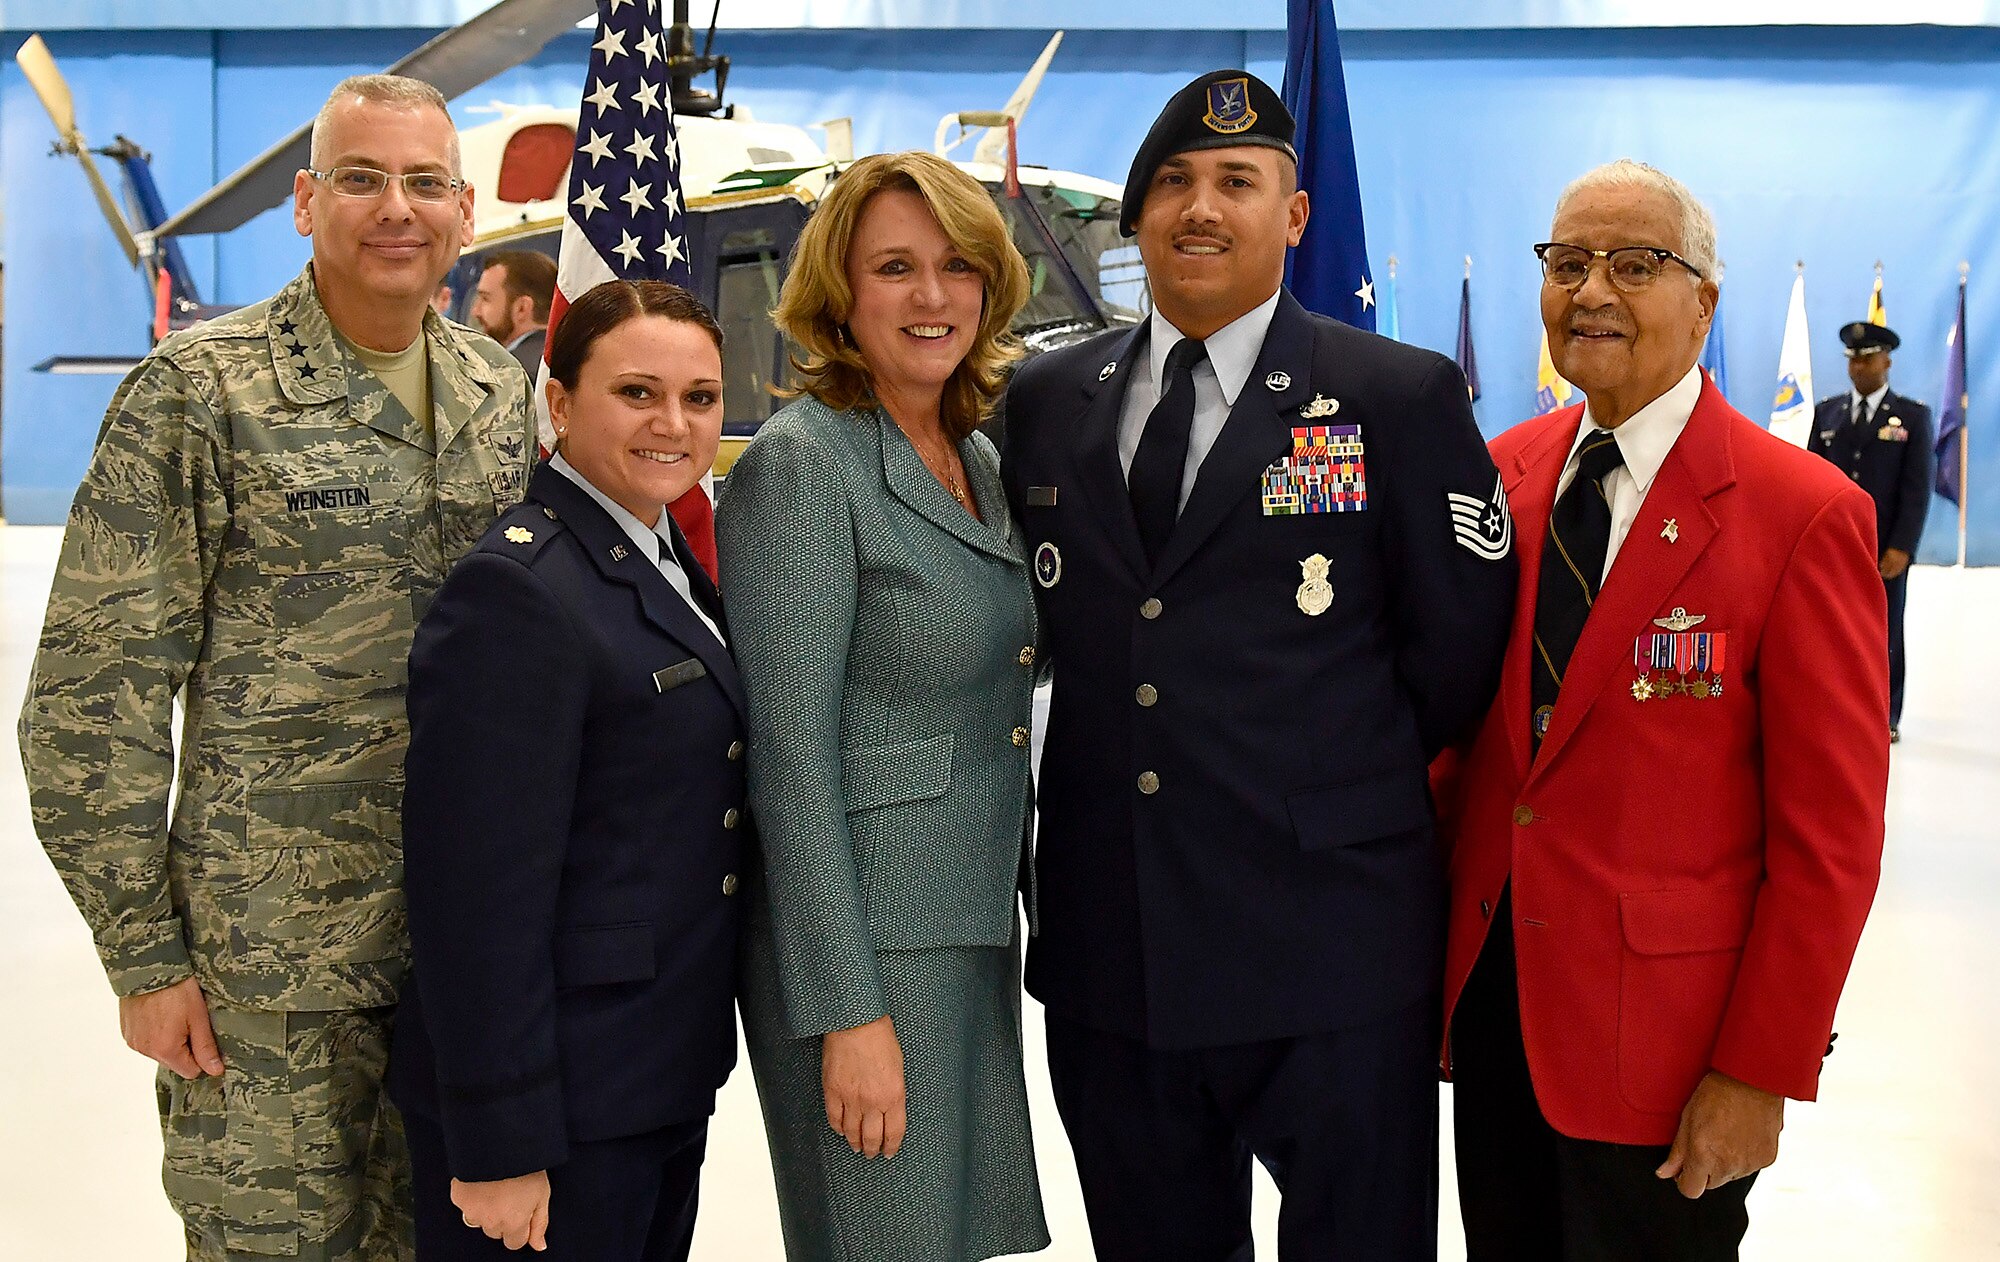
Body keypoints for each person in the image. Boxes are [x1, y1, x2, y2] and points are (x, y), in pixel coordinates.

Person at [1001, 69, 1516, 1260]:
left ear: (1291, 215)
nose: (1200, 207)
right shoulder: (1043, 399)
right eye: (1172, 182)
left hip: (1326, 947)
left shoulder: (1395, 397)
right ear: (1133, 220)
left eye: (1238, 182)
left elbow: (1452, 659)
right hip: (1112, 947)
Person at [17, 74, 532, 1260]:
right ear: (305, 203)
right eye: (360, 178)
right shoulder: (199, 395)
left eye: (421, 184)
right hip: (267, 976)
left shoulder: (499, 393)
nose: (393, 208)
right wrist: (143, 952)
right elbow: (94, 701)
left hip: (462, 961)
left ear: (464, 211)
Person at [1437, 160, 1887, 1261]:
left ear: (1704, 302)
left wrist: (1759, 1067)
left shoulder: (1801, 514)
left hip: (1666, 1053)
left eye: (1634, 264)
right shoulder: (1495, 476)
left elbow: (1829, 839)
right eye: (1567, 261)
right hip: (1493, 1024)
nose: (1590, 290)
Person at [715, 150, 1048, 1262]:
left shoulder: (975, 454)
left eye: (956, 266)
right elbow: (790, 756)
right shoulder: (805, 462)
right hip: (866, 944)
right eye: (894, 267)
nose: (930, 296)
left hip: (962, 921)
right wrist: (846, 1011)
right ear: (839, 296)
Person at [388, 279, 745, 1260]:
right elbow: (473, 892)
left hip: (650, 1073)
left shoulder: (661, 555)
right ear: (557, 402)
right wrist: (499, 1140)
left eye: (700, 397)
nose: (673, 423)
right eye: (636, 392)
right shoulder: (519, 591)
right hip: (555, 1107)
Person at [1807, 320, 1934, 742]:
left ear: (1887, 361)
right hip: (1834, 546)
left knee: (1885, 629)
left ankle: (1886, 713)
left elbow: (1917, 489)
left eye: (1868, 358)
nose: (1859, 367)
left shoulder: (1912, 417)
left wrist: (1902, 545)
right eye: (1853, 360)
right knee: (1827, 628)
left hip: (1884, 548)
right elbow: (1810, 481)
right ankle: (1831, 705)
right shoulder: (1827, 413)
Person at [472, 250, 558, 379]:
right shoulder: (567, 359)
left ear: (522, 308)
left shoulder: (509, 373)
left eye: (485, 299)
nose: (475, 311)